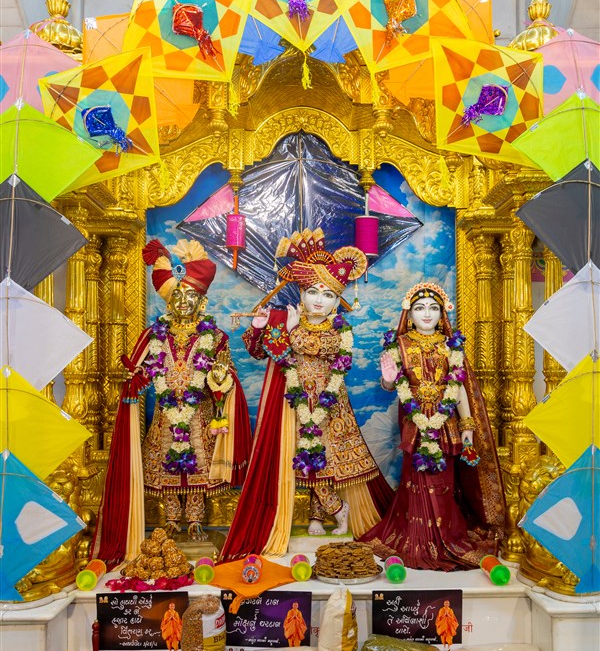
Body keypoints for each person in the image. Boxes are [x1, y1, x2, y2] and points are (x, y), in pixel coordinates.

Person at [221, 228, 393, 559]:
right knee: (303, 456)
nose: (318, 300)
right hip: (294, 402)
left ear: (336, 301)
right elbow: (260, 352)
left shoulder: (338, 329)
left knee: (325, 457)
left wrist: (288, 330)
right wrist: (260, 327)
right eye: (312, 291)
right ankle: (325, 511)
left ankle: (329, 509)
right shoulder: (290, 320)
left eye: (327, 294)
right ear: (301, 294)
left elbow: (320, 348)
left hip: (329, 402)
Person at [91, 239, 252, 566]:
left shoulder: (215, 337)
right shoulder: (154, 335)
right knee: (167, 467)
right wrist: (136, 378)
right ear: (168, 301)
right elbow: (136, 369)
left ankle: (195, 521)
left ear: (202, 302)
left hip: (199, 415)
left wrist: (218, 375)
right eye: (176, 295)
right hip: (166, 416)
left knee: (197, 469)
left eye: (190, 296)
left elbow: (228, 374)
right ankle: (171, 520)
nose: (183, 302)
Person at [360, 283, 504, 570]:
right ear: (409, 314)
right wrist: (388, 378)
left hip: (445, 420)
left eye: (433, 308)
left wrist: (467, 426)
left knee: (443, 480)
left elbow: (459, 387)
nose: (427, 313)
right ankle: (414, 536)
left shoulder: (451, 346)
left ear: (442, 314)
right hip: (414, 421)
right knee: (414, 478)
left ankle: (445, 537)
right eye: (420, 308)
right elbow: (390, 386)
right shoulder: (400, 344)